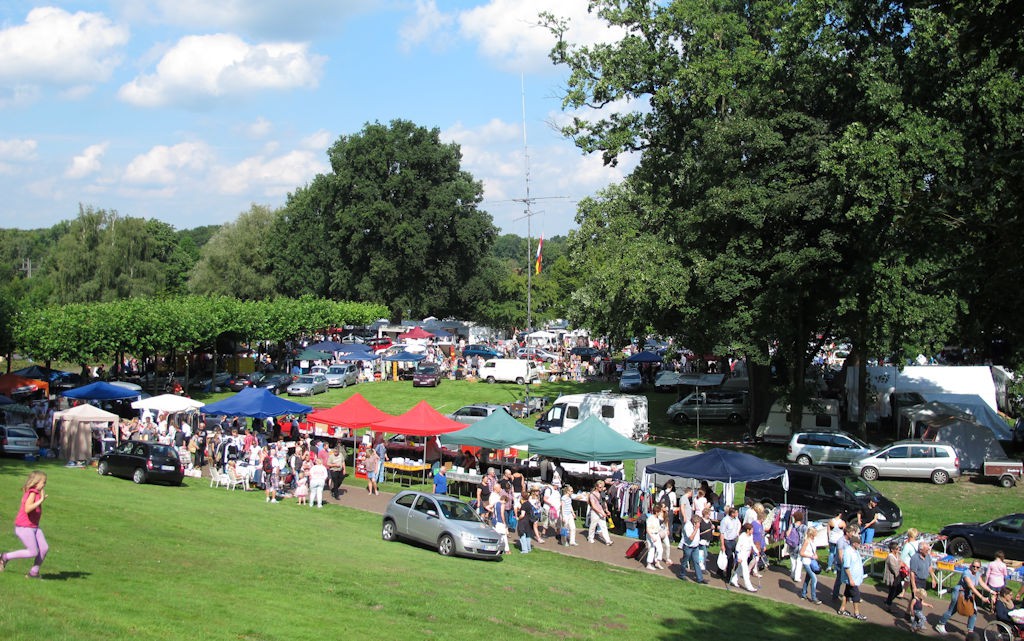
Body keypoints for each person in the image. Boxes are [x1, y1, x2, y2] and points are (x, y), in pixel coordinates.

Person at [1, 471, 49, 578]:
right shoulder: (32, 493)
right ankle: (4, 557)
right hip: (24, 527)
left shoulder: (36, 492)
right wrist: (41, 500)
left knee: (44, 548)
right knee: (33, 552)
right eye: (43, 482)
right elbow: (27, 509)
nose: (44, 485)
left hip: (34, 527)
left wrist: (40, 499)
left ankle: (33, 573)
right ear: (36, 482)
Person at [935, 559, 996, 635]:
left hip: (967, 594)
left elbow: (982, 584)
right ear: (971, 565)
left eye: (977, 567)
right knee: (952, 610)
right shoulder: (966, 573)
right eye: (973, 566)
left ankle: (970, 631)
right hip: (959, 593)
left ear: (979, 568)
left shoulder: (977, 574)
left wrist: (991, 591)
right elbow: (971, 586)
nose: (975, 568)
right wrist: (981, 597)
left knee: (973, 612)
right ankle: (940, 624)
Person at [838, 535, 867, 620]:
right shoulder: (848, 552)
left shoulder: (855, 550)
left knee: (846, 593)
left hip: (855, 578)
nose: (859, 545)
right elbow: (846, 567)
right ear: (854, 543)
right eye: (858, 543)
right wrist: (850, 579)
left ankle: (842, 609)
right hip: (851, 579)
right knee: (856, 595)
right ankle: (856, 613)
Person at [907, 541, 939, 619]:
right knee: (917, 600)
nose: (928, 551)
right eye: (926, 550)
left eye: (928, 550)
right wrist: (914, 587)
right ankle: (916, 619)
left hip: (923, 580)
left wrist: (933, 578)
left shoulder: (927, 556)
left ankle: (908, 613)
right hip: (916, 580)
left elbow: (929, 567)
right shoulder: (915, 558)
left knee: (916, 598)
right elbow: (912, 573)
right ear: (920, 550)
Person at [730, 522, 758, 592]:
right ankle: (749, 587)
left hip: (746, 555)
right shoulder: (742, 536)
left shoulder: (750, 536)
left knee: (740, 569)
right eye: (751, 529)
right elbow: (737, 547)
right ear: (747, 530)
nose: (752, 531)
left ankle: (734, 580)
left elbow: (752, 544)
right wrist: (738, 557)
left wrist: (756, 551)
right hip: (741, 555)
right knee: (745, 571)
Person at [680, 513, 707, 583]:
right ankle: (682, 574)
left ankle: (700, 578)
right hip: (688, 547)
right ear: (694, 522)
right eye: (698, 523)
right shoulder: (688, 526)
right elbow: (691, 538)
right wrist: (696, 529)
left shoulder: (696, 525)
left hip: (695, 547)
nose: (699, 524)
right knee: (685, 561)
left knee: (696, 562)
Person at [719, 506, 740, 587]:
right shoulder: (725, 521)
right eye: (735, 513)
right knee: (730, 559)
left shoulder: (736, 519)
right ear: (732, 513)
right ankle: (728, 577)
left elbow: (738, 525)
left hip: (734, 540)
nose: (737, 514)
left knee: (737, 557)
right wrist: (722, 544)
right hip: (727, 541)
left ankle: (721, 571)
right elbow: (722, 533)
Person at [799, 526, 821, 603]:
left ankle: (803, 593)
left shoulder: (813, 541)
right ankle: (814, 597)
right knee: (814, 579)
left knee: (808, 578)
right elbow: (801, 552)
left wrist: (815, 555)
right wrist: (811, 556)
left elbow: (813, 551)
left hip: (811, 562)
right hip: (806, 562)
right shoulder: (807, 541)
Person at [587, 481, 613, 545]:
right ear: (596, 487)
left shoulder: (602, 493)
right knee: (593, 525)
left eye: (602, 487)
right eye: (600, 487)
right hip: (595, 512)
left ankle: (608, 540)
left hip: (601, 511)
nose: (601, 489)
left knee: (604, 526)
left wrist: (606, 510)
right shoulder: (592, 495)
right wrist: (601, 512)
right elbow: (593, 506)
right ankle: (590, 538)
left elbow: (604, 503)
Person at [882, 541, 905, 611]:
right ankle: (888, 604)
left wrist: (901, 564)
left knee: (899, 589)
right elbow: (894, 568)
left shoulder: (898, 555)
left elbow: (901, 561)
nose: (898, 550)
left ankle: (888, 600)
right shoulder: (890, 557)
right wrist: (900, 565)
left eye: (898, 548)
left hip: (897, 576)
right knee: (892, 591)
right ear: (892, 549)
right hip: (892, 577)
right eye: (897, 549)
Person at [787, 510, 808, 584]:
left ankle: (792, 574)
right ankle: (797, 576)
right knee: (799, 561)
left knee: (793, 560)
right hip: (800, 546)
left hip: (792, 545)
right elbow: (806, 537)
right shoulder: (804, 527)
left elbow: (787, 534)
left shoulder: (791, 525)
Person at [645, 504, 665, 571]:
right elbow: (647, 529)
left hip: (657, 534)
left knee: (660, 549)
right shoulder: (650, 518)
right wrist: (652, 537)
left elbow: (663, 519)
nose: (660, 513)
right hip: (651, 535)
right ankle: (649, 564)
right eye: (659, 512)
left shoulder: (657, 518)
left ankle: (657, 562)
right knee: (652, 549)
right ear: (656, 512)